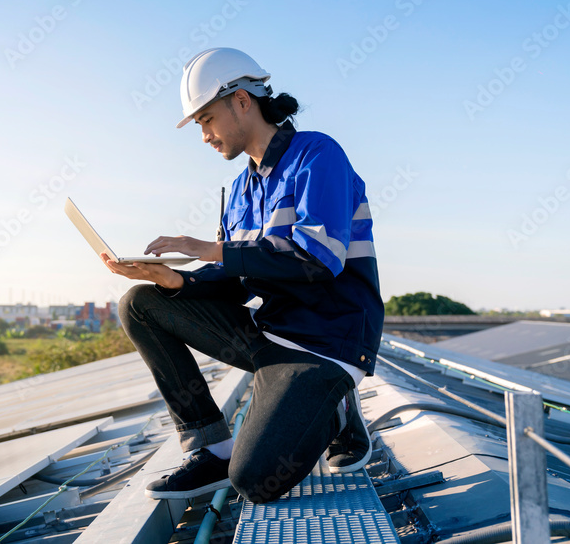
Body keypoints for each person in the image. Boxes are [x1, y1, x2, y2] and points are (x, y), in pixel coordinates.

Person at [100, 48, 384, 503]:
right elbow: (233, 277)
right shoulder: (238, 190)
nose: (204, 135)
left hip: (327, 343)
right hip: (269, 336)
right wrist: (178, 281)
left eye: (207, 119)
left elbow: (318, 259)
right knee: (141, 303)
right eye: (198, 125)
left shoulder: (318, 155)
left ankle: (336, 405)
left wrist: (213, 249)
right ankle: (211, 448)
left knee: (254, 480)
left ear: (242, 101)